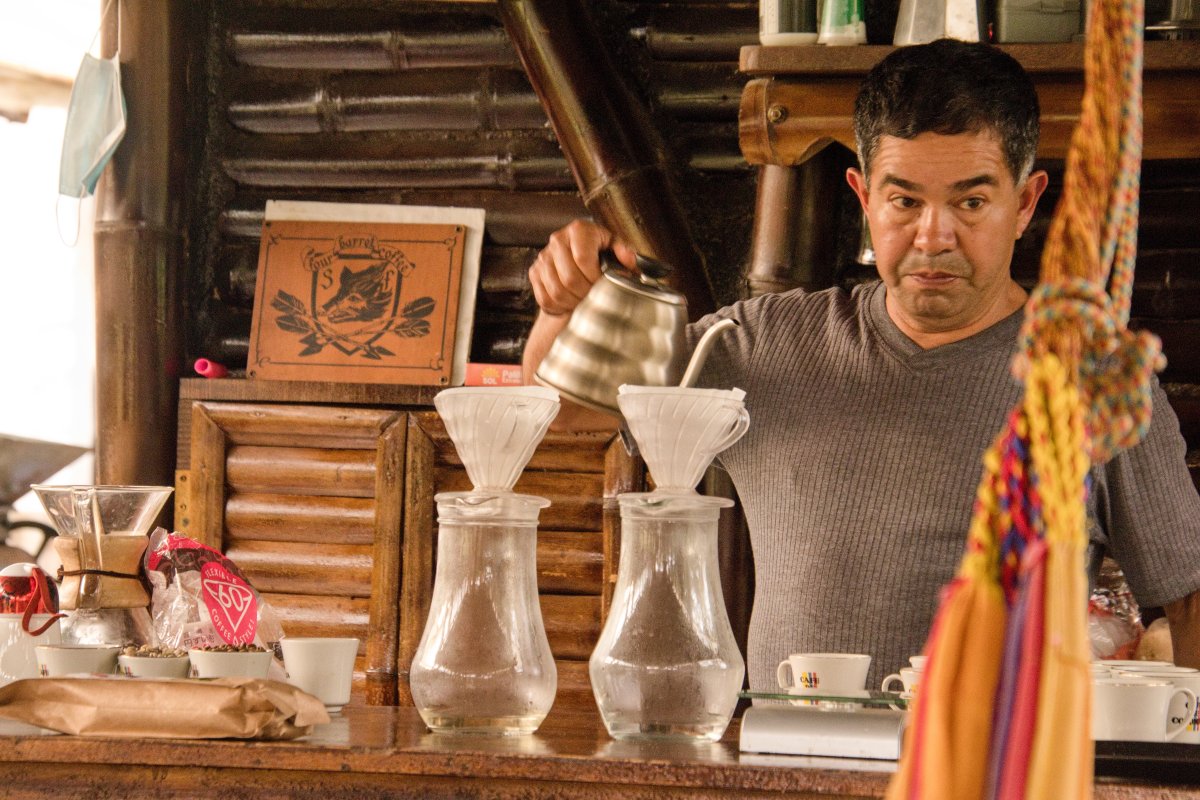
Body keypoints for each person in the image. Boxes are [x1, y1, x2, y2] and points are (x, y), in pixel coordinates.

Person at [522, 38, 1200, 691]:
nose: (934, 236)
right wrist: (561, 307)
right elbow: (559, 413)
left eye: (970, 202)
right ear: (864, 196)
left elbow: (1189, 600)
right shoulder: (757, 347)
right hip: (786, 755)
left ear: (1024, 203)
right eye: (905, 201)